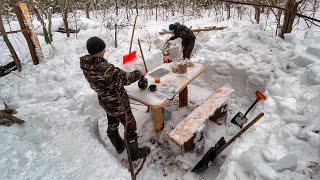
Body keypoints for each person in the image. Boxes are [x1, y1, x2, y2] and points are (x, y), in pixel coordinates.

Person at [80, 36, 150, 161]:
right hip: (117, 102)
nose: (105, 51)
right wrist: (139, 73)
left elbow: (111, 77)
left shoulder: (88, 65)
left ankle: (119, 145)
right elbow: (124, 78)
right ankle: (134, 153)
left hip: (106, 101)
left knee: (112, 122)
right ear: (98, 51)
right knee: (131, 125)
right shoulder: (102, 68)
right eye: (103, 49)